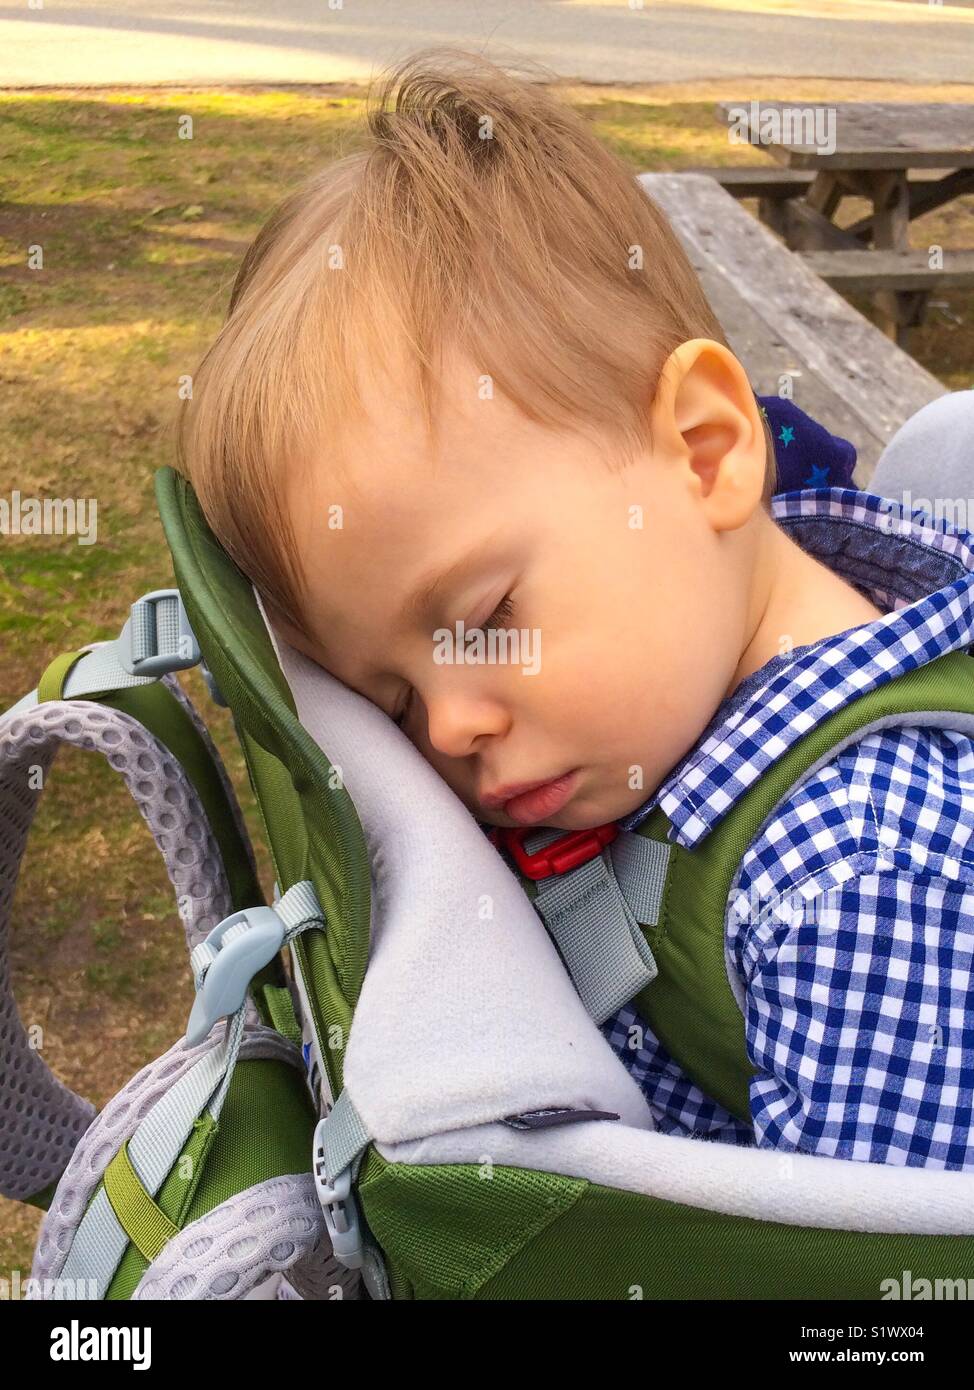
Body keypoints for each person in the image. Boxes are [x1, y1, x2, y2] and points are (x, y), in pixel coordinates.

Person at [177, 49, 974, 1169]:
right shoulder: (692, 679)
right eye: (393, 700)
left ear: (703, 456)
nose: (448, 729)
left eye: (486, 611)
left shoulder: (852, 878)